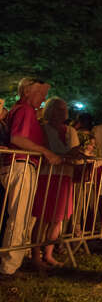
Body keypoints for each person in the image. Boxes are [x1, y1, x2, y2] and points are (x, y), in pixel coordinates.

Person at [0, 77, 61, 278]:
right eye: (40, 94)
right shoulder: (25, 111)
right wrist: (45, 151)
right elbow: (17, 138)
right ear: (27, 92)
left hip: (19, 165)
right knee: (19, 217)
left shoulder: (19, 110)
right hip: (21, 165)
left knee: (17, 217)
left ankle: (12, 263)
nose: (43, 99)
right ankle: (9, 267)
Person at [31, 97, 80, 268]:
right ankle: (36, 255)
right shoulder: (43, 129)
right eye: (58, 109)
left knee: (58, 218)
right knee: (43, 217)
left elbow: (74, 153)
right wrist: (61, 157)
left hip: (65, 176)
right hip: (48, 176)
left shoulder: (71, 131)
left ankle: (49, 254)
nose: (62, 113)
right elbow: (46, 151)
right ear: (50, 111)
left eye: (64, 109)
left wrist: (67, 157)